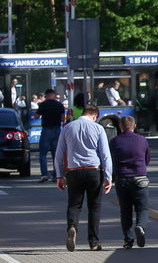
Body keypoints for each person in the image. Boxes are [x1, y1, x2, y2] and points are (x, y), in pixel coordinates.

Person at [55, 104, 113, 252]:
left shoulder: (67, 127)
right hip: (93, 170)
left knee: (74, 204)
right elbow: (105, 155)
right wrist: (108, 177)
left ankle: (72, 227)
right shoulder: (98, 128)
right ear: (95, 116)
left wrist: (59, 175)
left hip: (74, 172)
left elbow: (59, 154)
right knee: (94, 207)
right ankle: (93, 243)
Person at [110, 115, 151, 249]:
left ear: (121, 127)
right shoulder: (142, 140)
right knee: (142, 208)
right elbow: (147, 158)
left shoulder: (115, 141)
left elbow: (111, 159)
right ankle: (140, 226)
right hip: (139, 178)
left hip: (122, 179)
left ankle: (128, 240)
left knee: (125, 211)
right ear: (134, 126)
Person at [36, 89, 65, 184]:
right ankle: (56, 175)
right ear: (54, 95)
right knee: (56, 154)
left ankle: (44, 174)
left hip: (46, 130)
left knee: (43, 153)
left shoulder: (43, 104)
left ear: (47, 95)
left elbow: (36, 116)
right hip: (57, 130)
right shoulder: (59, 105)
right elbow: (62, 118)